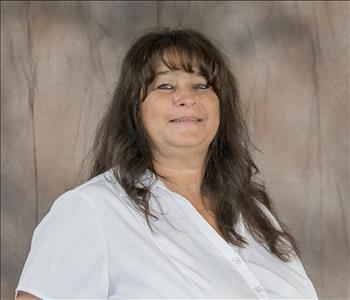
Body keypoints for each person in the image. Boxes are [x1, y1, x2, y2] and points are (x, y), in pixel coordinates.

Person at [16, 28, 318, 299]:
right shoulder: (92, 210)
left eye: (201, 85)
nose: (186, 98)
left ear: (221, 107)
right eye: (165, 86)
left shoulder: (253, 214)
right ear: (134, 109)